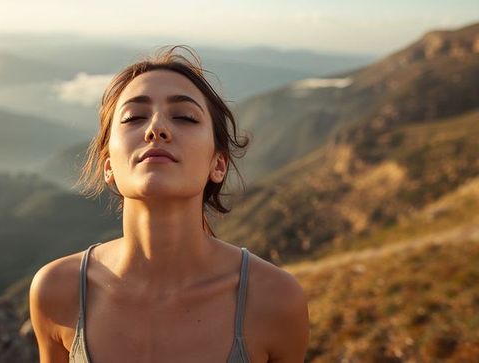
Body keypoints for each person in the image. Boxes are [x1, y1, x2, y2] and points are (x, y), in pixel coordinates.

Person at [29, 45, 309, 363]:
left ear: (218, 164)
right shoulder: (57, 291)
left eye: (185, 118)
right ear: (108, 164)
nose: (156, 129)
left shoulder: (275, 300)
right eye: (134, 117)